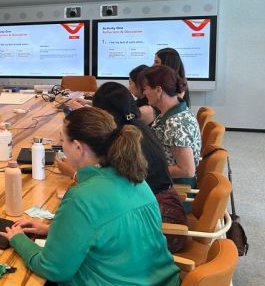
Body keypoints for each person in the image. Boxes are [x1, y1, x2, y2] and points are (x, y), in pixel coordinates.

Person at [0, 107, 180, 286]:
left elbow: (53, 268)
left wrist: (18, 239)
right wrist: (55, 230)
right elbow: (110, 228)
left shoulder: (82, 196)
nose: (60, 146)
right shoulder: (134, 178)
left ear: (78, 147)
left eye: (62, 140)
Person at [55, 82, 188, 252]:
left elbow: (110, 191)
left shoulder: (123, 144)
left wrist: (75, 174)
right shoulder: (132, 130)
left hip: (160, 225)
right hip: (152, 212)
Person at [139, 65, 201, 186]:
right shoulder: (173, 111)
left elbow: (187, 171)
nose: (143, 93)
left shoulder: (176, 123)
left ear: (158, 90)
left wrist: (143, 171)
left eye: (145, 88)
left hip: (171, 189)